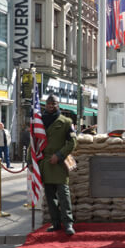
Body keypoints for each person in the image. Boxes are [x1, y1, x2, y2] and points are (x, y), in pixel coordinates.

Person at [41, 94, 77, 235]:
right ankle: (55, 223)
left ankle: (68, 223)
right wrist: (30, 161)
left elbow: (72, 142)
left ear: (58, 104)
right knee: (50, 196)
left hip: (60, 163)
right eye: (49, 103)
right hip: (45, 162)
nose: (51, 105)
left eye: (54, 103)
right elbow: (33, 142)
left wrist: (60, 155)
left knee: (63, 194)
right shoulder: (40, 121)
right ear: (46, 105)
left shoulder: (66, 122)